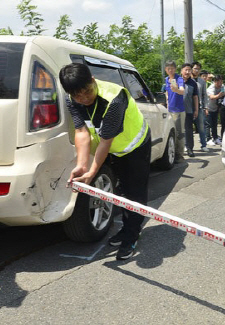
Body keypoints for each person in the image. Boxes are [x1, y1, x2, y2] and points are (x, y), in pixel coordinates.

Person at [59, 63, 151, 260]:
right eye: (77, 95)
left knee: (135, 192)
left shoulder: (114, 98)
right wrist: (81, 166)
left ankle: (132, 235)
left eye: (87, 91)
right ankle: (128, 228)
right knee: (121, 191)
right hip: (115, 149)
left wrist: (91, 172)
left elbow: (106, 141)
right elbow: (82, 133)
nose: (83, 98)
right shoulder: (71, 99)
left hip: (136, 146)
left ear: (93, 80)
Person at [164, 60, 186, 163]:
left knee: (180, 133)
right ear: (166, 70)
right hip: (170, 110)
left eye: (172, 68)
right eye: (168, 68)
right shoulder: (166, 79)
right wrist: (167, 101)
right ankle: (173, 154)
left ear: (175, 69)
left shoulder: (179, 79)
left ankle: (180, 155)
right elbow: (167, 92)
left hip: (179, 111)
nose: (170, 70)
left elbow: (182, 91)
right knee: (171, 132)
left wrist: (176, 89)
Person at [181, 63, 199, 157]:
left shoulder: (193, 83)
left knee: (188, 130)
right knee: (177, 130)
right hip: (177, 110)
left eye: (189, 70)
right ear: (181, 71)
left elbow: (195, 97)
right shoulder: (176, 80)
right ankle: (178, 150)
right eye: (186, 70)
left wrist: (196, 110)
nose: (187, 72)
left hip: (188, 110)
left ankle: (189, 149)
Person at [191, 62, 209, 152]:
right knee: (188, 128)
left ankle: (203, 145)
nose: (196, 70)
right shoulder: (187, 80)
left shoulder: (202, 81)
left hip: (200, 106)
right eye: (195, 68)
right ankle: (188, 146)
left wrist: (206, 107)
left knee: (201, 127)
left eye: (198, 69)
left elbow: (204, 95)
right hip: (189, 107)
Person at [206, 74, 225, 145]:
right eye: (218, 82)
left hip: (216, 108)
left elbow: (224, 93)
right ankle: (208, 139)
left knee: (214, 124)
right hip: (208, 107)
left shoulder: (222, 86)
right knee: (208, 124)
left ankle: (215, 138)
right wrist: (219, 95)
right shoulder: (211, 88)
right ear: (215, 82)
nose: (219, 84)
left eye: (221, 82)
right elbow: (212, 97)